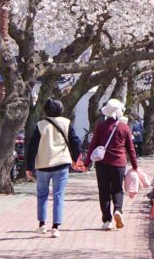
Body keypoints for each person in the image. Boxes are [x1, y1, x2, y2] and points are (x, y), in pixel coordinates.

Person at [25, 99, 82, 238]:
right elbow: (75, 142)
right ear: (61, 109)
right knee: (58, 195)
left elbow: (32, 147)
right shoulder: (67, 123)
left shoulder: (40, 125)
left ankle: (42, 225)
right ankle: (56, 227)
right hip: (62, 163)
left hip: (43, 165)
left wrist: (28, 167)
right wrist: (75, 159)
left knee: (42, 195)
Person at [87, 99, 138, 231]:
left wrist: (87, 162)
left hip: (102, 163)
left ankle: (107, 220)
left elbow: (93, 145)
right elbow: (130, 148)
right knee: (117, 189)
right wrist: (134, 165)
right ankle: (118, 210)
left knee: (103, 191)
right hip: (119, 163)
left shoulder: (100, 126)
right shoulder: (124, 127)